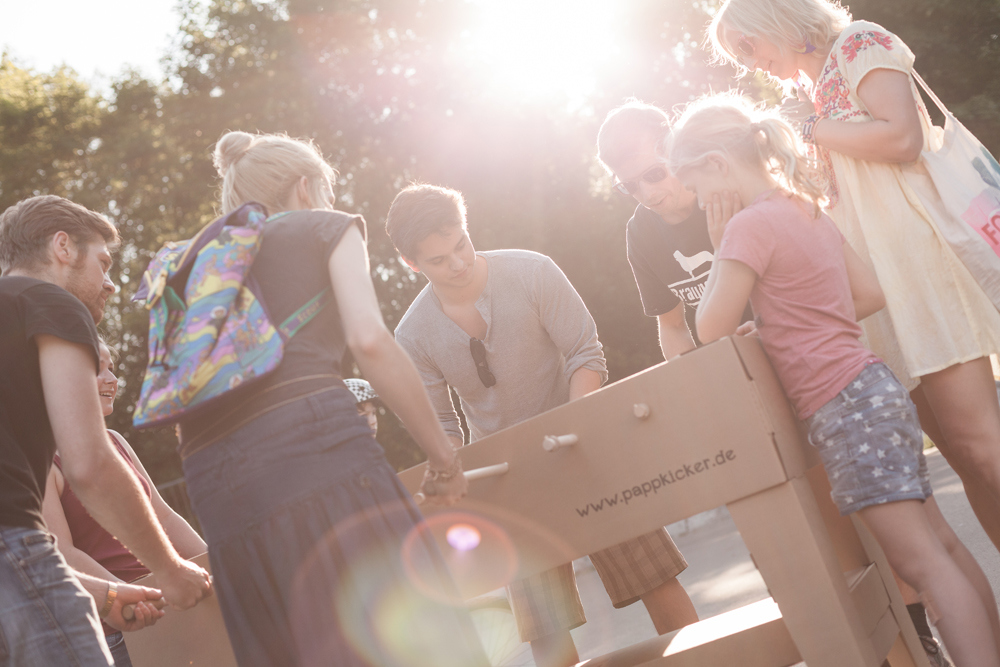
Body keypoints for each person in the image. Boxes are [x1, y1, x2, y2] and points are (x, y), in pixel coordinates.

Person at [669, 92, 1000, 667]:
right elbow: (867, 293)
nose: (699, 201)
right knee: (940, 546)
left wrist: (721, 243)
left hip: (845, 412)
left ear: (717, 167)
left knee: (921, 565)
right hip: (877, 389)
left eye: (696, 188)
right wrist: (783, 328)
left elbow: (710, 325)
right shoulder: (804, 208)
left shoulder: (747, 227)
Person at [172, 132, 488, 667]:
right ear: (305, 186)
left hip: (217, 488)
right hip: (318, 454)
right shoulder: (325, 227)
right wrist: (442, 457)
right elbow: (370, 341)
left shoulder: (194, 261)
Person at [708, 0, 1000, 575]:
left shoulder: (859, 43)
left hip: (919, 271)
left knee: (981, 445)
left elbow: (902, 140)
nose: (750, 63)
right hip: (874, 292)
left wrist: (812, 128)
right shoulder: (810, 94)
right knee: (963, 459)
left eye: (747, 46)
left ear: (776, 22)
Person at [388, 184, 699, 667]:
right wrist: (447, 470)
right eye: (438, 260)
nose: (458, 264)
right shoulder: (411, 335)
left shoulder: (532, 271)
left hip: (585, 451)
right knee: (545, 628)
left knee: (654, 580)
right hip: (507, 484)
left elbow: (585, 353)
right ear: (411, 264)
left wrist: (573, 428)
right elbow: (443, 426)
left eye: (461, 245)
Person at [0, 195, 212, 666]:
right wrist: (171, 571)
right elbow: (89, 465)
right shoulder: (47, 300)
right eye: (103, 263)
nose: (111, 285)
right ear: (62, 247)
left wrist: (107, 595)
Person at [42, 338, 208, 667]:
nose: (111, 380)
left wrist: (210, 563)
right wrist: (133, 599)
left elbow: (163, 516)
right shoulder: (42, 460)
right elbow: (62, 552)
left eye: (112, 368)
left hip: (165, 602)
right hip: (117, 631)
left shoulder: (115, 442)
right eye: (95, 369)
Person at [597, 99, 753, 359]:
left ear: (674, 151)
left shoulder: (728, 190)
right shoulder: (640, 234)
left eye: (654, 174)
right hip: (733, 364)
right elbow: (672, 325)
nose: (647, 194)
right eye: (630, 186)